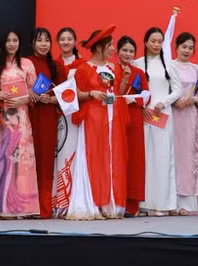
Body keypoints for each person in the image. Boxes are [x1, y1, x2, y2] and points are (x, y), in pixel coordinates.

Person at [67, 26, 127, 219]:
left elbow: (118, 92)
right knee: (95, 156)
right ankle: (94, 202)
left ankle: (110, 203)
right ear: (100, 48)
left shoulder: (114, 68)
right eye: (110, 45)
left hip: (112, 117)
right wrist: (91, 93)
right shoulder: (83, 69)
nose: (113, 49)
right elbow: (74, 94)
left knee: (112, 157)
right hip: (92, 118)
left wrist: (125, 79)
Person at [134, 18, 182, 216]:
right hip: (145, 115)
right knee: (146, 158)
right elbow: (133, 92)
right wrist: (141, 106)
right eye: (153, 41)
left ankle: (164, 204)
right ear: (145, 42)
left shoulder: (169, 65)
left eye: (160, 41)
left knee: (163, 157)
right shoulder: (137, 63)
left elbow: (178, 90)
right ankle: (144, 203)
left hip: (163, 114)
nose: (156, 44)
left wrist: (163, 102)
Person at [0, 29, 39, 218]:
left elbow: (36, 93)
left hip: (22, 120)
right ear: (2, 43)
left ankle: (25, 207)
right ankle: (2, 207)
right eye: (8, 40)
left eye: (15, 40)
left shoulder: (27, 64)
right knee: (3, 160)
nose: (12, 44)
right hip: (2, 120)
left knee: (23, 162)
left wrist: (24, 99)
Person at [165, 13, 198, 216]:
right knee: (171, 154)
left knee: (188, 156)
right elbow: (164, 89)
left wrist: (192, 100)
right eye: (183, 46)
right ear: (176, 47)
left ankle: (186, 203)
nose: (187, 50)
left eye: (190, 47)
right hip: (172, 115)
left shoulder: (197, 69)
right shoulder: (168, 66)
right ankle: (171, 202)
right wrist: (174, 99)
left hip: (189, 117)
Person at [27, 28, 64, 219]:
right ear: (32, 43)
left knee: (46, 160)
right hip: (27, 117)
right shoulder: (25, 63)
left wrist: (53, 99)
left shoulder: (56, 66)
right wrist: (29, 93)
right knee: (27, 161)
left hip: (48, 117)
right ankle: (27, 207)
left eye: (46, 40)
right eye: (39, 40)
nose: (43, 44)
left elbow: (66, 93)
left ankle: (44, 208)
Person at [115, 36, 148, 217]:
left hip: (134, 118)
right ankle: (116, 201)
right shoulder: (111, 70)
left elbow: (146, 96)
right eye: (124, 50)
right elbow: (111, 93)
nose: (127, 54)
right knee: (117, 158)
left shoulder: (139, 73)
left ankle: (132, 204)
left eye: (131, 51)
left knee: (134, 159)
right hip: (115, 118)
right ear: (117, 52)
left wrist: (132, 99)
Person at [53, 27, 84, 216]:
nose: (66, 42)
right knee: (57, 154)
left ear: (74, 41)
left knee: (71, 153)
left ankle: (71, 200)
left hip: (73, 115)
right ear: (58, 42)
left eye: (69, 39)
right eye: (62, 39)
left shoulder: (82, 64)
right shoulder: (53, 64)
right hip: (56, 115)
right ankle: (57, 201)